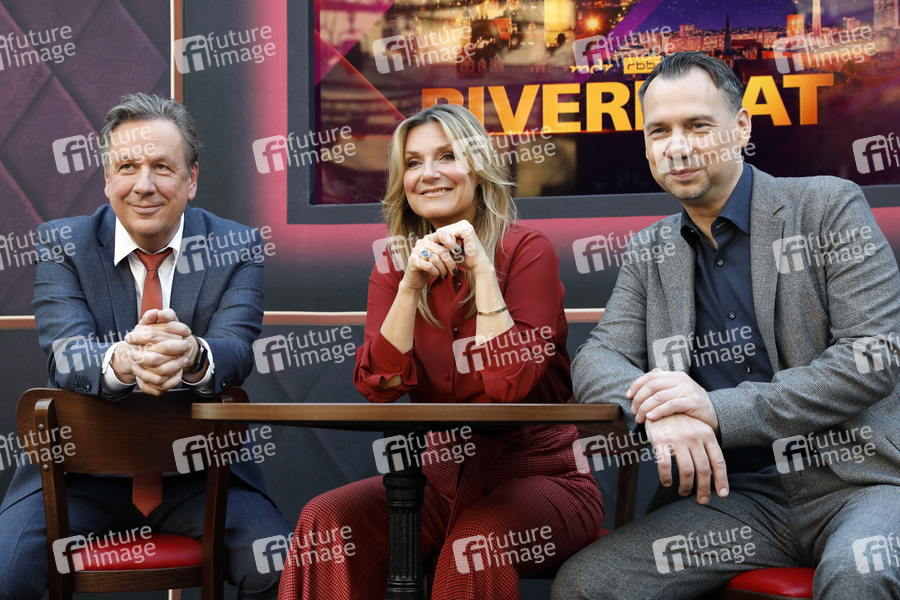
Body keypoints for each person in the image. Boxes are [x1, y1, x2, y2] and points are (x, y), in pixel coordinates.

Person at [553, 51, 900, 598]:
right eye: (659, 131)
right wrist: (661, 415)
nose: (678, 146)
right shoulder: (650, 250)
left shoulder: (827, 206)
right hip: (732, 499)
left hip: (857, 483)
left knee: (861, 573)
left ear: (740, 128)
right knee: (588, 585)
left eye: (698, 125)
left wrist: (716, 410)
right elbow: (599, 358)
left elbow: (870, 357)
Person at [278, 104, 605, 599]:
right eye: (413, 163)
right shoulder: (394, 267)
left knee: (473, 547)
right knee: (326, 521)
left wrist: (482, 270)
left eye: (447, 156)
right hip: (437, 481)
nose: (428, 174)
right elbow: (379, 386)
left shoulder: (528, 250)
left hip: (545, 477)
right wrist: (409, 287)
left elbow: (509, 386)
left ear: (479, 169)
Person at [0, 93, 290, 598]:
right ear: (107, 177)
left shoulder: (236, 246)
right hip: (77, 476)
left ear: (191, 178)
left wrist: (193, 355)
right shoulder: (62, 244)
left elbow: (236, 349)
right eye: (127, 167)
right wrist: (126, 360)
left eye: (162, 166)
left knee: (281, 569)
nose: (144, 184)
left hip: (201, 475)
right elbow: (67, 355)